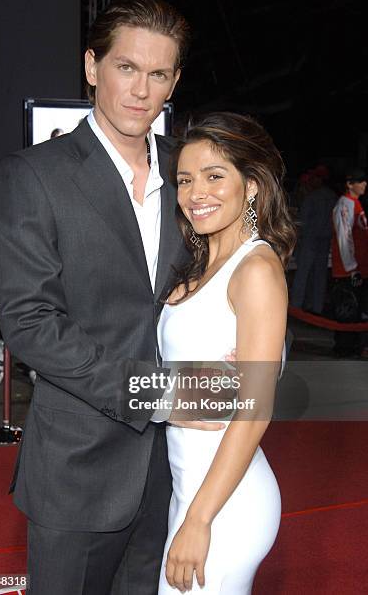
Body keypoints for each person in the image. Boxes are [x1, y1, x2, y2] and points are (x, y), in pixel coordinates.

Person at [0, 0, 221, 595]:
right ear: (92, 67)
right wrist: (157, 394)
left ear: (174, 82)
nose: (142, 91)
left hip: (179, 468)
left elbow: (238, 273)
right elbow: (30, 322)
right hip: (79, 466)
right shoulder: (34, 174)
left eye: (159, 74)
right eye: (126, 68)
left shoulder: (190, 173)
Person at [157, 112, 296, 593]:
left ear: (252, 186)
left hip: (224, 505)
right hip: (189, 490)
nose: (197, 193)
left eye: (215, 176)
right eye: (185, 179)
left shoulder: (255, 267)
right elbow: (201, 386)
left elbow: (253, 411)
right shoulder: (199, 265)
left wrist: (198, 521)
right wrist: (179, 394)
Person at [331, 167, 368, 358]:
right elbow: (344, 239)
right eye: (360, 181)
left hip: (359, 269)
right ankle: (344, 349)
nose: (364, 184)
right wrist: (352, 268)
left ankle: (354, 347)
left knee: (357, 313)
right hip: (348, 272)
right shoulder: (345, 205)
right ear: (350, 184)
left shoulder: (357, 204)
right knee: (347, 313)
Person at [290, 173, 337, 314]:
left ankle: (296, 307)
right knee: (320, 276)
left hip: (310, 239)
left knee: (303, 274)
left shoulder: (312, 198)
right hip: (325, 239)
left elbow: (302, 221)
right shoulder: (333, 196)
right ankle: (317, 307)